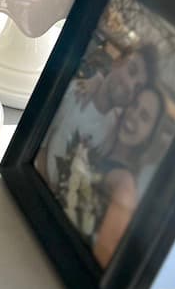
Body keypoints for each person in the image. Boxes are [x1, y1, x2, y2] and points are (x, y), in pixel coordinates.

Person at [36, 44, 157, 190]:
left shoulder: (116, 130)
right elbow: (39, 145)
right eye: (131, 71)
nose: (130, 86)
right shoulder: (74, 92)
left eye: (137, 87)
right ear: (117, 62)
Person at [92, 85, 165, 268]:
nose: (133, 115)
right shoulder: (103, 143)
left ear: (149, 137)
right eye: (134, 105)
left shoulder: (124, 186)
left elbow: (103, 256)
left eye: (144, 117)